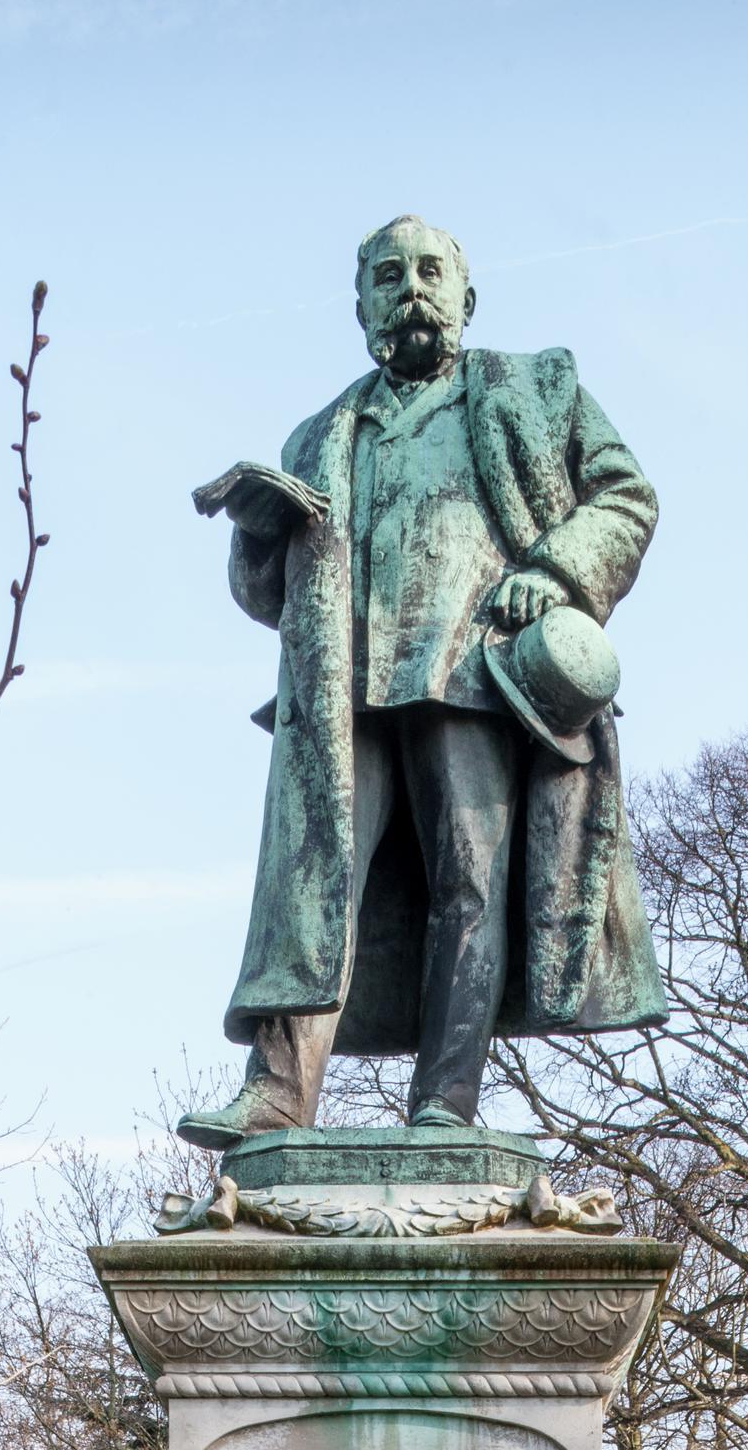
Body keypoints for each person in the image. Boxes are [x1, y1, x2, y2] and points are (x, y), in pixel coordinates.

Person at [180, 214, 667, 1147]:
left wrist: (561, 572)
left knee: (468, 885)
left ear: (466, 297)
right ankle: (278, 1091)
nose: (411, 286)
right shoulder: (321, 434)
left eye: (430, 270)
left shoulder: (537, 388)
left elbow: (627, 496)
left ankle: (446, 1103)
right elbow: (269, 599)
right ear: (360, 303)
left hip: (476, 672)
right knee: (311, 877)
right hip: (343, 692)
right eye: (389, 274)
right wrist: (255, 529)